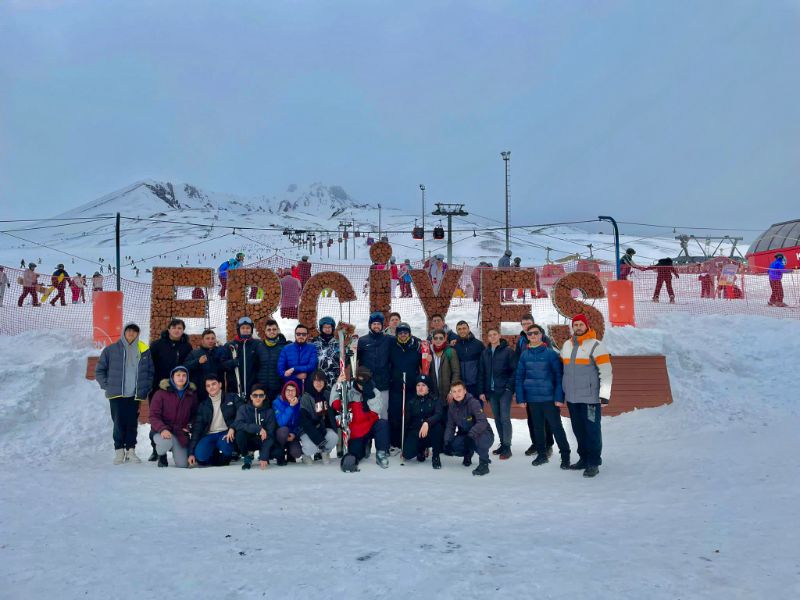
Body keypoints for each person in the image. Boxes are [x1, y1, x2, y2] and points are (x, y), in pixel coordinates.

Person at [560, 314, 613, 478]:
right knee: (578, 430)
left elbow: (606, 372)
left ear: (586, 326)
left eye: (580, 324)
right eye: (575, 324)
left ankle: (593, 462)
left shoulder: (597, 346)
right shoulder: (567, 345)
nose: (578, 327)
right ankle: (583, 458)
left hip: (590, 399)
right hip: (573, 399)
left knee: (592, 431)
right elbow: (564, 371)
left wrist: (604, 395)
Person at [94, 323, 154, 464]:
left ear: (138, 334)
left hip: (134, 395)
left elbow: (150, 372)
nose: (131, 334)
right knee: (119, 423)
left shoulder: (144, 349)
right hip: (116, 394)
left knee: (132, 423)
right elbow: (100, 370)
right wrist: (107, 386)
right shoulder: (111, 350)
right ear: (124, 332)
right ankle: (119, 451)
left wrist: (145, 388)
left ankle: (131, 451)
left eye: (135, 332)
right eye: (129, 331)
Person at [516, 324, 571, 469]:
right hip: (533, 399)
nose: (533, 336)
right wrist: (521, 398)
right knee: (538, 428)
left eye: (535, 333)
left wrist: (559, 397)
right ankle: (542, 455)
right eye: (529, 334)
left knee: (556, 428)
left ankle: (565, 456)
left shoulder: (550, 354)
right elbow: (519, 377)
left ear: (541, 335)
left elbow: (559, 377)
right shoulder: (524, 355)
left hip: (549, 399)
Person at [332, 366, 391, 469]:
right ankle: (365, 445)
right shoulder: (348, 390)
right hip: (356, 432)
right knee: (357, 454)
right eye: (359, 383)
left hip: (370, 426)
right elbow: (336, 405)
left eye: (364, 383)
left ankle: (381, 453)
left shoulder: (374, 391)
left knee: (382, 424)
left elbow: (376, 410)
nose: (361, 386)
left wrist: (367, 397)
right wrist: (338, 384)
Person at [477, 328, 516, 459]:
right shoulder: (485, 353)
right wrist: (482, 391)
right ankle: (502, 444)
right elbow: (481, 373)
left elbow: (514, 371)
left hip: (504, 390)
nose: (492, 337)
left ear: (499, 335)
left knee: (505, 418)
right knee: (497, 418)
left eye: (495, 334)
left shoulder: (508, 351)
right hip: (491, 391)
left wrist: (509, 387)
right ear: (487, 338)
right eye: (490, 335)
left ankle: (507, 446)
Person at [149, 366, 199, 468]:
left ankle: (174, 448)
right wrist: (162, 429)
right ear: (172, 377)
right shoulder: (160, 394)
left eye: (184, 375)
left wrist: (189, 426)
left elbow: (195, 415)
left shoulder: (191, 395)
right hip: (162, 431)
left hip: (179, 432)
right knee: (165, 443)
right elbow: (153, 416)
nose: (181, 378)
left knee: (183, 464)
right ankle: (162, 455)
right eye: (178, 375)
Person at [188, 374, 240, 467]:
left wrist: (233, 428)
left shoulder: (232, 397)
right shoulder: (203, 405)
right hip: (210, 435)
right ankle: (214, 454)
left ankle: (228, 455)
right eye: (208, 385)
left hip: (226, 433)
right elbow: (197, 428)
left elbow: (242, 415)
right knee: (200, 456)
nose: (211, 387)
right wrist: (191, 453)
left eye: (213, 384)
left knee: (226, 448)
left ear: (220, 384)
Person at [444, 381, 494, 476]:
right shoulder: (452, 407)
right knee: (454, 445)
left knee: (480, 440)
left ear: (465, 391)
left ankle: (484, 463)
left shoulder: (473, 403)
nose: (457, 394)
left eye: (459, 391)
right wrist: (447, 442)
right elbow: (450, 426)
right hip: (466, 434)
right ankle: (468, 453)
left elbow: (482, 422)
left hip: (483, 433)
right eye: (454, 391)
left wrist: (471, 436)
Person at [388, 322, 422, 450]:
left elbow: (422, 364)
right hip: (396, 386)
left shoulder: (416, 346)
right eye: (400, 333)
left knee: (410, 414)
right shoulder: (392, 345)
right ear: (397, 334)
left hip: (411, 387)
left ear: (409, 333)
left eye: (405, 332)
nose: (403, 335)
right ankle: (395, 442)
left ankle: (408, 441)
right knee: (395, 415)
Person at [357, 312, 393, 420]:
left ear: (382, 326)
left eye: (378, 324)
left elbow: (403, 340)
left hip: (384, 382)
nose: (376, 326)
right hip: (368, 383)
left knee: (383, 410)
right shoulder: (362, 340)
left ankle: (384, 435)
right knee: (369, 412)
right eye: (374, 324)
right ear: (370, 325)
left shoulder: (388, 339)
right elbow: (355, 358)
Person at [403, 374, 444, 469]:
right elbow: (407, 423)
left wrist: (427, 422)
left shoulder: (435, 400)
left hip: (431, 432)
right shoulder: (411, 402)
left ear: (428, 388)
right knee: (407, 455)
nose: (420, 388)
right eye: (418, 385)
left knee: (438, 427)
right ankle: (421, 449)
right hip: (416, 432)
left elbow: (439, 414)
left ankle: (436, 456)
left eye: (423, 385)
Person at [223, 316, 270, 399]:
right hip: (235, 389)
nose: (245, 330)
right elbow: (222, 365)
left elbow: (263, 363)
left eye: (248, 328)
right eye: (243, 328)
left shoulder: (257, 344)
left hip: (252, 389)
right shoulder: (230, 345)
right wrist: (232, 363)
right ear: (239, 329)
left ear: (251, 330)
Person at [234, 384, 278, 470]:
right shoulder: (243, 409)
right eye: (255, 395)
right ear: (251, 397)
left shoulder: (269, 412)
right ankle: (247, 456)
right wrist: (258, 428)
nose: (258, 398)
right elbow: (238, 424)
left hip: (263, 441)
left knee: (278, 455)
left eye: (261, 395)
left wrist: (264, 455)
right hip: (249, 440)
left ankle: (263, 454)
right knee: (240, 434)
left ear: (264, 397)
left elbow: (270, 434)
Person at [298, 371, 339, 464]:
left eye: (321, 380)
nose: (318, 383)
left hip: (323, 428)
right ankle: (305, 454)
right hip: (307, 430)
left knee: (333, 437)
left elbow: (331, 416)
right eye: (316, 380)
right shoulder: (306, 397)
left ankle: (325, 452)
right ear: (312, 382)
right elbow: (305, 422)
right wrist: (319, 440)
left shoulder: (327, 395)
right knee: (311, 447)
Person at [184, 329, 226, 402]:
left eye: (213, 338)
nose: (210, 341)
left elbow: (225, 366)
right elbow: (185, 367)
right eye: (207, 338)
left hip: (216, 391)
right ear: (202, 340)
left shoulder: (219, 352)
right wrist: (197, 361)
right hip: (200, 392)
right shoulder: (195, 353)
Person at [278, 324, 318, 393]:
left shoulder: (312, 348)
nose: (301, 336)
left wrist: (294, 369)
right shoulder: (286, 349)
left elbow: (312, 366)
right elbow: (281, 371)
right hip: (290, 388)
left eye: (304, 334)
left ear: (307, 335)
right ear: (295, 335)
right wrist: (296, 376)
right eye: (298, 334)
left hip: (308, 387)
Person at [272, 381, 303, 464]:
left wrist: (294, 433)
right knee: (283, 430)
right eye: (288, 390)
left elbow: (302, 423)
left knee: (297, 453)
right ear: (284, 391)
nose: (290, 393)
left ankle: (290, 453)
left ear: (296, 392)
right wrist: (291, 406)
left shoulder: (300, 403)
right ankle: (280, 452)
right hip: (281, 433)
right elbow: (280, 422)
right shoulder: (276, 402)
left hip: (293, 434)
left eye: (293, 390)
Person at [453, 321, 484, 399]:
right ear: (456, 331)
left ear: (468, 329)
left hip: (475, 385)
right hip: (460, 386)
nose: (462, 331)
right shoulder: (455, 346)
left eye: (464, 328)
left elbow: (484, 365)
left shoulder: (478, 344)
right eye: (459, 329)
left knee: (476, 409)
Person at [428, 329, 461, 402]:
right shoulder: (429, 352)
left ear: (444, 339)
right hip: (433, 395)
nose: (438, 340)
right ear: (432, 340)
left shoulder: (450, 351)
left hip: (447, 394)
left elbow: (456, 372)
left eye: (441, 338)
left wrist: (452, 391)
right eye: (435, 338)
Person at [261, 319, 288, 401]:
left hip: (278, 388)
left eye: (274, 329)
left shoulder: (285, 346)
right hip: (262, 389)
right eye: (269, 330)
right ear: (265, 332)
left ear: (278, 330)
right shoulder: (259, 346)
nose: (271, 332)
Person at [311, 316, 341, 389]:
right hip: (319, 379)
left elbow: (343, 358)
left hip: (335, 378)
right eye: (325, 327)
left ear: (333, 328)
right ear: (321, 328)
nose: (327, 329)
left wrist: (347, 354)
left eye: (329, 327)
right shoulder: (314, 342)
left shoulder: (338, 342)